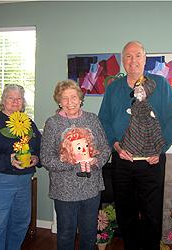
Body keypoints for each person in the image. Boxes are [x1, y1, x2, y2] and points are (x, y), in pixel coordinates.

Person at [98, 41, 172, 250]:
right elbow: (104, 120)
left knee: (152, 214)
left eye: (137, 55)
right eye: (128, 56)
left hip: (152, 162)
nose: (133, 60)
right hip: (122, 162)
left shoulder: (161, 85)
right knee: (125, 213)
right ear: (122, 60)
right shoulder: (114, 88)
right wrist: (115, 145)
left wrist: (159, 150)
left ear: (145, 58)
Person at [40, 80, 111, 250]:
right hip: (64, 189)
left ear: (80, 98)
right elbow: (46, 158)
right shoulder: (52, 123)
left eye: (73, 97)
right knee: (65, 233)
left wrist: (95, 162)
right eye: (64, 98)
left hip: (91, 187)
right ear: (59, 101)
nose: (70, 102)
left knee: (88, 234)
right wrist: (70, 162)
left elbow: (105, 149)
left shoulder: (92, 119)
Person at [0, 84, 41, 250]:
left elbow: (39, 145)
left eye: (18, 98)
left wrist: (36, 157)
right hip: (1, 182)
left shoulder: (29, 123)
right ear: (3, 101)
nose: (14, 101)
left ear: (23, 102)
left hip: (25, 181)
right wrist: (8, 159)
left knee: (21, 222)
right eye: (10, 98)